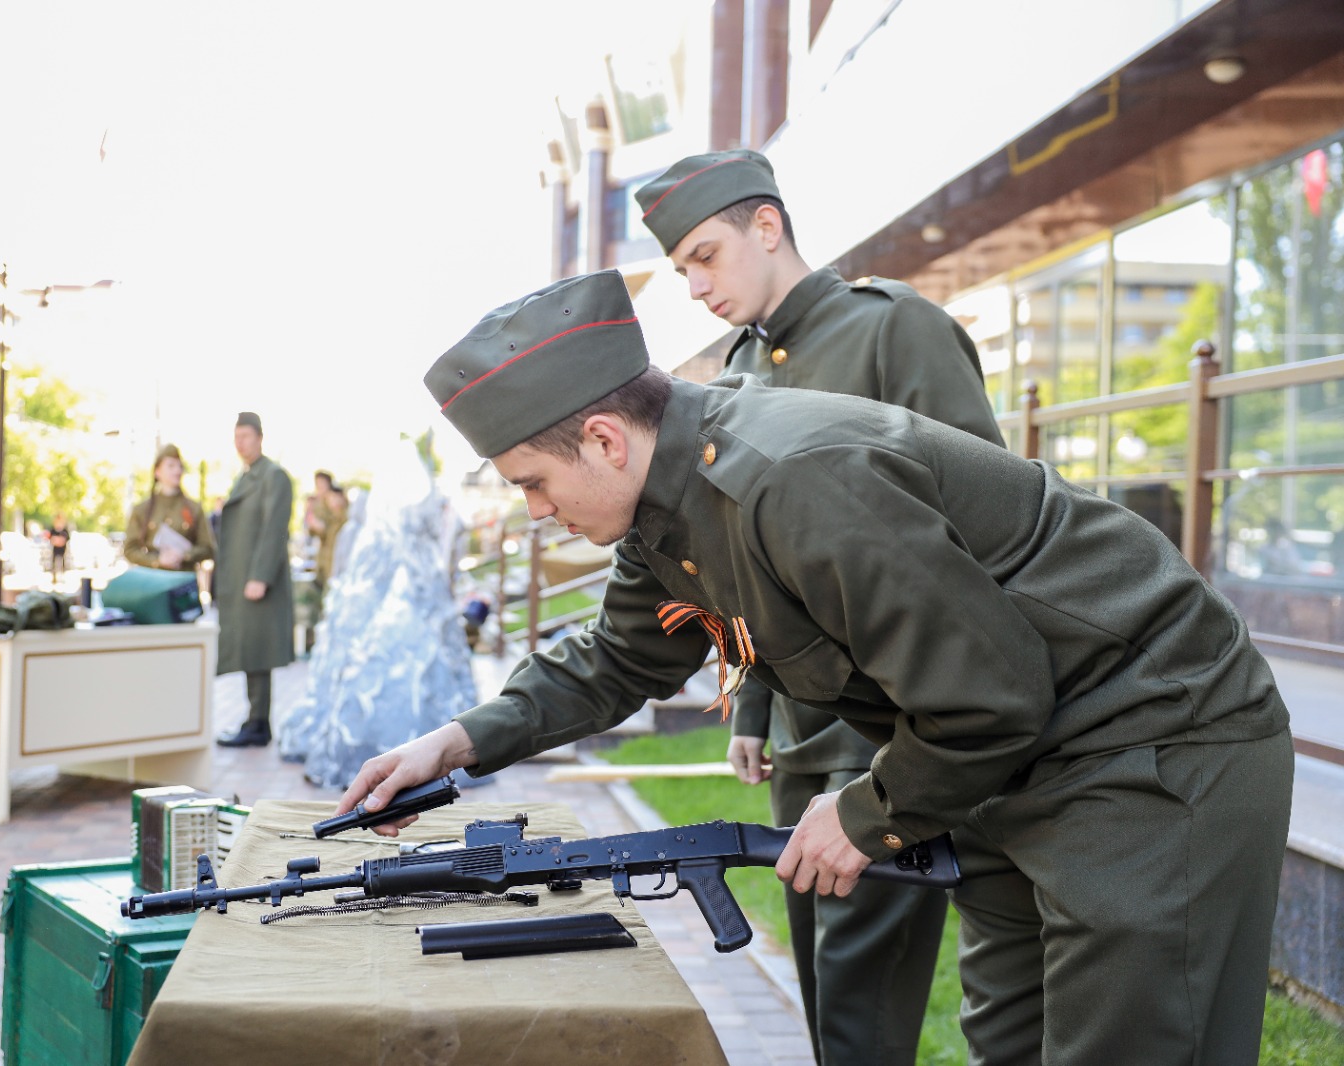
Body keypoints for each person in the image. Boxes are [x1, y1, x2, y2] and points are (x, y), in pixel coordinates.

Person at [340, 270, 1294, 1064]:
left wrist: (864, 814)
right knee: (1013, 1036)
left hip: (1150, 740)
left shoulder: (795, 478)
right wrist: (458, 741)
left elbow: (989, 695)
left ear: (602, 439)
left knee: (1132, 1045)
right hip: (1016, 761)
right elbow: (619, 656)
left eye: (533, 484)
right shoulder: (666, 503)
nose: (536, 510)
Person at [634, 147, 1004, 1063]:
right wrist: (752, 708)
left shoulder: (894, 330)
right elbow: (747, 563)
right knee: (821, 991)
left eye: (705, 256)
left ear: (767, 226)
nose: (694, 285)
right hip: (804, 730)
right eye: (681, 268)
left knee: (859, 1009)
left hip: (893, 738)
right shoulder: (738, 369)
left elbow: (979, 528)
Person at [277, 442, 478, 789]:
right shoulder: (401, 533)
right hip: (403, 620)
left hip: (395, 622)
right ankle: (418, 753)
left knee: (389, 680)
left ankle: (398, 754)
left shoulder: (382, 533)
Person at [214, 412, 296, 748]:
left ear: (260, 438)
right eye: (236, 436)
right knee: (251, 651)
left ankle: (258, 722)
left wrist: (259, 576)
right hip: (242, 578)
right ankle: (256, 721)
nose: (240, 442)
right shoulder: (246, 477)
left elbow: (274, 529)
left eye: (246, 435)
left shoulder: (273, 476)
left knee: (258, 652)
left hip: (258, 580)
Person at [123, 444, 215, 572]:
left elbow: (208, 548)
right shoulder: (142, 510)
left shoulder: (194, 509)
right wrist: (156, 561)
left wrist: (184, 555)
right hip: (152, 580)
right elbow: (130, 550)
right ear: (157, 471)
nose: (177, 471)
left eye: (180, 466)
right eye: (171, 466)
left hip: (183, 581)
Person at [304, 470, 351, 600]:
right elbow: (318, 533)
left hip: (338, 562)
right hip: (325, 561)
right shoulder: (318, 506)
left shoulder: (344, 515)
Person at [48, 512, 72, 583]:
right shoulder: (53, 530)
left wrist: (61, 540)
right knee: (54, 562)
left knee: (63, 562)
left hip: (62, 548)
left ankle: (62, 577)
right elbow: (50, 538)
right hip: (55, 548)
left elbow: (67, 538)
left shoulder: (64, 530)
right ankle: (54, 577)